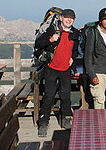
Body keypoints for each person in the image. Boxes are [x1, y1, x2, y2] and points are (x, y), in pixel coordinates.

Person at [35, 9, 79, 137]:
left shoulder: (75, 33)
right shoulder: (52, 29)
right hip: (51, 68)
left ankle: (66, 120)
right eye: (66, 17)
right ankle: (43, 123)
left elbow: (75, 50)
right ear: (60, 18)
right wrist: (50, 39)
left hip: (65, 69)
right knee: (49, 96)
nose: (69, 20)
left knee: (66, 96)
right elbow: (38, 43)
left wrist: (73, 58)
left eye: (72, 18)